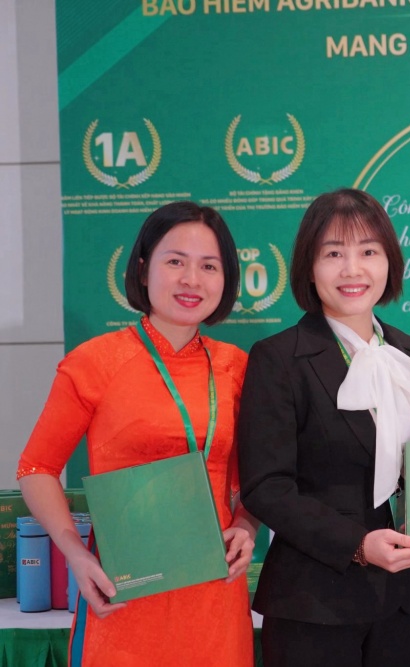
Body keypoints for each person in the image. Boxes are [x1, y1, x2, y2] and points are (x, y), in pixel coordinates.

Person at [17, 201, 256, 666]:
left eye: (209, 266)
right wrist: (76, 557)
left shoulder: (238, 368)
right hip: (121, 591)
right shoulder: (94, 362)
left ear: (226, 279)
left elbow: (265, 475)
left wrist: (247, 525)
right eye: (176, 261)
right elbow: (36, 468)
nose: (192, 279)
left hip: (215, 594)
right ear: (143, 270)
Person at [237, 189, 410, 667]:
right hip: (315, 601)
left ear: (389, 262)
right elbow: (266, 487)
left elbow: (399, 468)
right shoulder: (278, 358)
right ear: (309, 268)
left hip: (402, 598)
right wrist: (357, 546)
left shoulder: (408, 351)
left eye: (369, 251)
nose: (353, 269)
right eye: (333, 254)